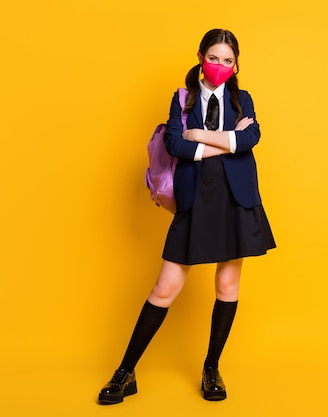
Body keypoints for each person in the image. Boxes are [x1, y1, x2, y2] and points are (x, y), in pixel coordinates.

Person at [98, 28, 276, 405]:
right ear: (200, 57)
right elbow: (175, 144)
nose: (220, 66)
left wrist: (202, 135)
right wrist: (223, 140)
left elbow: (250, 139)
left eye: (228, 60)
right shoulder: (183, 98)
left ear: (236, 65)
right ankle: (125, 371)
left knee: (227, 288)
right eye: (213, 58)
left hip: (235, 200)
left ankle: (212, 368)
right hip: (195, 201)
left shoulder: (243, 100)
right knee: (164, 289)